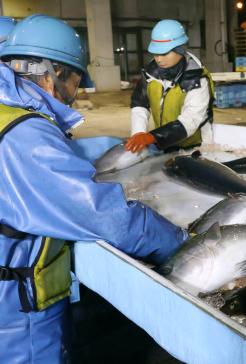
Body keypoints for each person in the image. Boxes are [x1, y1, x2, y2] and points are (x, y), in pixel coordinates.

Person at [0, 14, 187, 363]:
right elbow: (104, 215)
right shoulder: (26, 135)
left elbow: (55, 157)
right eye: (73, 82)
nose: (72, 97)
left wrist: (115, 145)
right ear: (51, 73)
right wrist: (179, 241)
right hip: (15, 313)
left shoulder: (9, 114)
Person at [125, 19, 214, 153]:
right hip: (164, 145)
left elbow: (191, 121)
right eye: (156, 53)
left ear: (180, 49)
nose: (159, 59)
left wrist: (152, 136)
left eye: (164, 53)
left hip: (195, 148)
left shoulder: (196, 79)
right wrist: (138, 133)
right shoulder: (150, 73)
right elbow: (140, 103)